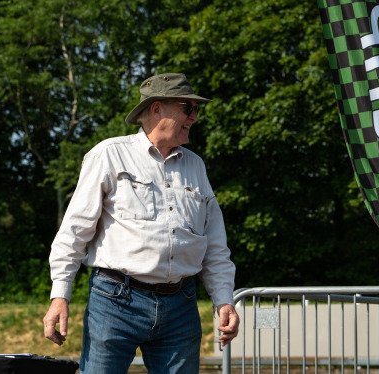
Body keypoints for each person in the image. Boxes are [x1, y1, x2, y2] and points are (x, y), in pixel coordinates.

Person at [43, 73, 240, 374]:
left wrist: (224, 299)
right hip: (114, 302)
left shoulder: (196, 166)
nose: (195, 117)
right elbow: (74, 232)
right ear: (157, 109)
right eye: (188, 108)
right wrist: (60, 295)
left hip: (181, 307)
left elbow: (214, 244)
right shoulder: (109, 154)